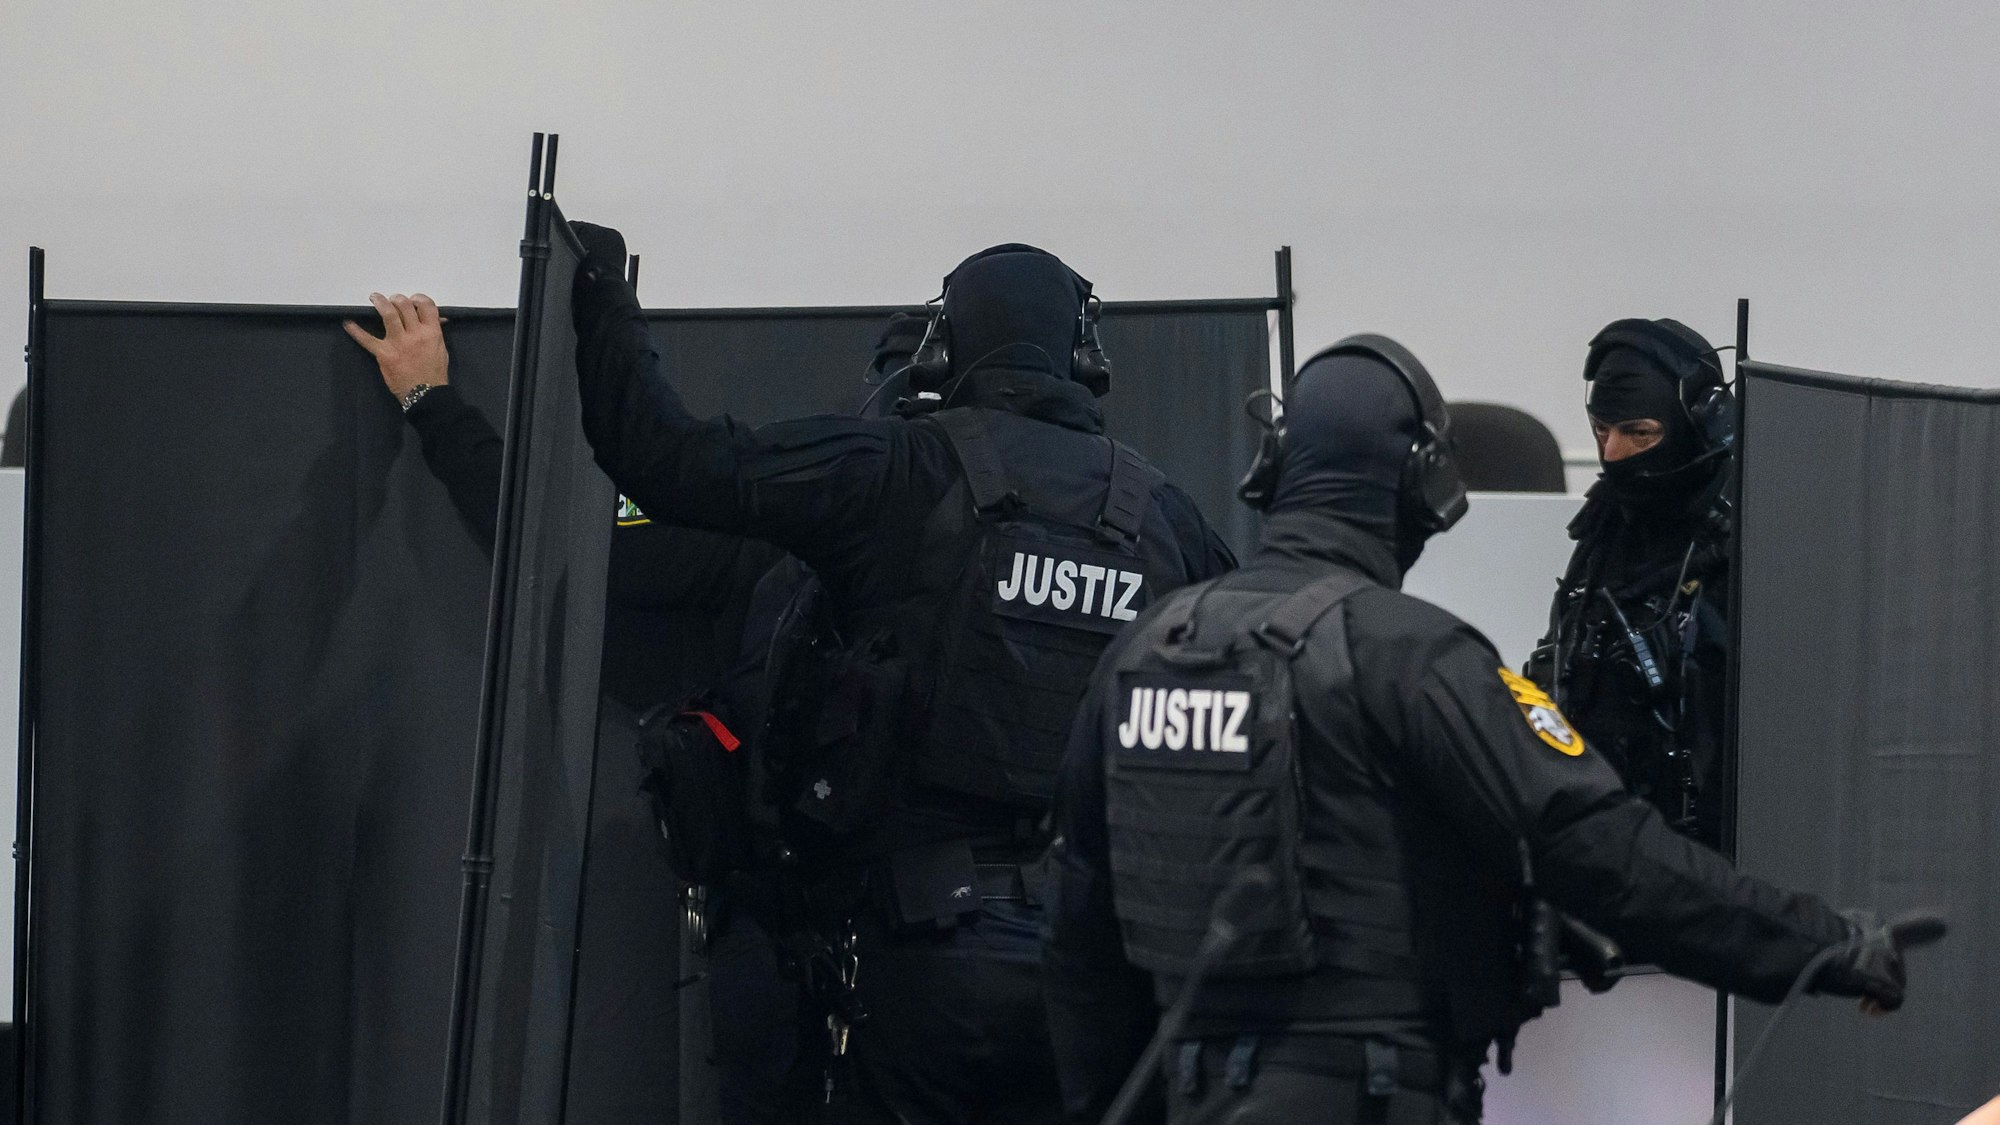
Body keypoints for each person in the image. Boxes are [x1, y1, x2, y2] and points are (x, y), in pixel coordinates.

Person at [1044, 336, 1910, 1124]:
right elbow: (1609, 853)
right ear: (1422, 485)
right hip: (1370, 1095)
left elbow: (1081, 936)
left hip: (1194, 1095)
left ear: (1275, 467)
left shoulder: (1143, 652)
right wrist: (1823, 943)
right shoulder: (1411, 655)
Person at [564, 227, 1236, 1123]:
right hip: (1098, 981)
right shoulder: (1168, 520)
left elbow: (664, 459)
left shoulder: (900, 471)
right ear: (1084, 358)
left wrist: (602, 293)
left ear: (945, 349)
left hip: (916, 966)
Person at [1525, 318, 1734, 845]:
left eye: (1639, 433)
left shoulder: (1750, 543)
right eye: (1601, 430)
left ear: (1700, 425)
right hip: (1593, 819)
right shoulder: (1608, 522)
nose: (1612, 454)